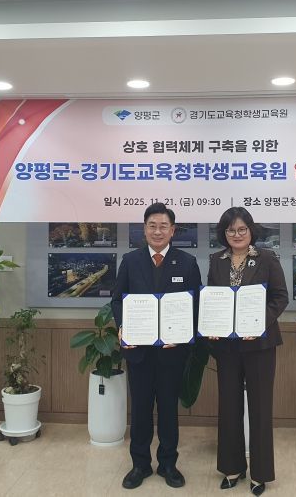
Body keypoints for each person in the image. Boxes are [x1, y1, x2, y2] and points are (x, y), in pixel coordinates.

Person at [111, 202, 201, 490]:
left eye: (164, 226)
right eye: (153, 226)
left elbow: (195, 305)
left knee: (168, 411)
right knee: (140, 410)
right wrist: (122, 326)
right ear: (144, 229)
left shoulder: (187, 262)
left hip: (172, 353)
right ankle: (140, 464)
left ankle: (168, 464)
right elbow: (117, 300)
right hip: (139, 352)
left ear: (172, 230)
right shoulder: (131, 261)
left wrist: (184, 333)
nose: (158, 231)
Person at [207, 207, 288, 496]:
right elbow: (213, 298)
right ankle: (232, 468)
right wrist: (211, 324)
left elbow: (280, 297)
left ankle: (260, 474)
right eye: (231, 230)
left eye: (242, 229)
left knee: (260, 408)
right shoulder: (216, 260)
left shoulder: (267, 258)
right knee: (228, 406)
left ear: (251, 230)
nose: (237, 234)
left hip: (260, 345)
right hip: (227, 347)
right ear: (224, 233)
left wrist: (258, 322)